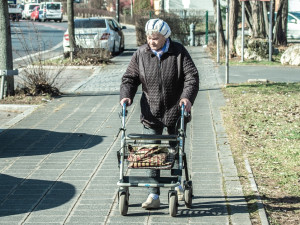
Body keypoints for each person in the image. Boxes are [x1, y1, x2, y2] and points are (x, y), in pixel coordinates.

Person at [120, 18, 199, 209]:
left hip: (176, 109)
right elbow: (129, 78)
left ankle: (177, 184)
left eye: (155, 38)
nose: (151, 41)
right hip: (151, 111)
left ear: (165, 37)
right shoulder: (141, 54)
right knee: (152, 153)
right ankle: (153, 195)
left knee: (174, 150)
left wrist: (187, 98)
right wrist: (126, 96)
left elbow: (192, 77)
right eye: (149, 37)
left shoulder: (178, 52)